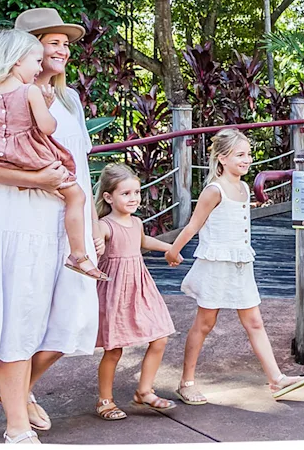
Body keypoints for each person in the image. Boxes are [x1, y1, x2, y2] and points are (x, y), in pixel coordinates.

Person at [0, 8, 102, 445]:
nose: (61, 51)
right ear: (28, 48)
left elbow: (83, 171)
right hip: (17, 219)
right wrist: (35, 179)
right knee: (17, 319)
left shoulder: (69, 100)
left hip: (66, 223)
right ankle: (17, 425)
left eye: (66, 44)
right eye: (52, 42)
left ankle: (16, 388)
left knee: (74, 319)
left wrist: (94, 222)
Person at [0, 29, 105, 282]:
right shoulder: (30, 91)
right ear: (19, 60)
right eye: (37, 61)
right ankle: (78, 254)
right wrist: (47, 107)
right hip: (28, 158)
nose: (39, 67)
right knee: (76, 195)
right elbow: (47, 128)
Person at [165, 128, 304, 403]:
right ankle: (187, 382)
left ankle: (276, 379)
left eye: (249, 154)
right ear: (222, 158)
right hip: (216, 264)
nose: (247, 160)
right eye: (239, 155)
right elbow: (194, 225)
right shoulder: (214, 190)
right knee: (205, 323)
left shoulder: (244, 187)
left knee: (254, 321)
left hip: (241, 263)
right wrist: (173, 251)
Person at [91, 163, 177, 421]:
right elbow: (91, 242)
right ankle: (105, 400)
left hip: (139, 287)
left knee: (160, 336)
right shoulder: (105, 226)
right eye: (125, 194)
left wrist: (168, 248)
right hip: (115, 290)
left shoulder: (137, 222)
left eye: (136, 193)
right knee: (114, 348)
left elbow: (143, 242)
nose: (133, 198)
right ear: (108, 197)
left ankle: (144, 391)